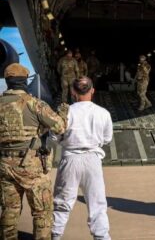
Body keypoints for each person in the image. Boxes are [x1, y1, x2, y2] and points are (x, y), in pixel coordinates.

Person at [0, 63, 67, 239]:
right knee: (42, 211)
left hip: (4, 165)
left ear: (7, 81)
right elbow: (60, 127)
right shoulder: (34, 104)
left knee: (9, 210)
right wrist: (64, 113)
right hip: (31, 166)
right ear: (24, 82)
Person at [51, 76, 113, 240]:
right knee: (97, 205)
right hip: (93, 159)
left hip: (70, 159)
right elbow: (107, 139)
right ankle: (101, 237)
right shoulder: (103, 113)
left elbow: (54, 137)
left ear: (72, 92)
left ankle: (55, 236)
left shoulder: (66, 113)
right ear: (92, 90)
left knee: (62, 204)